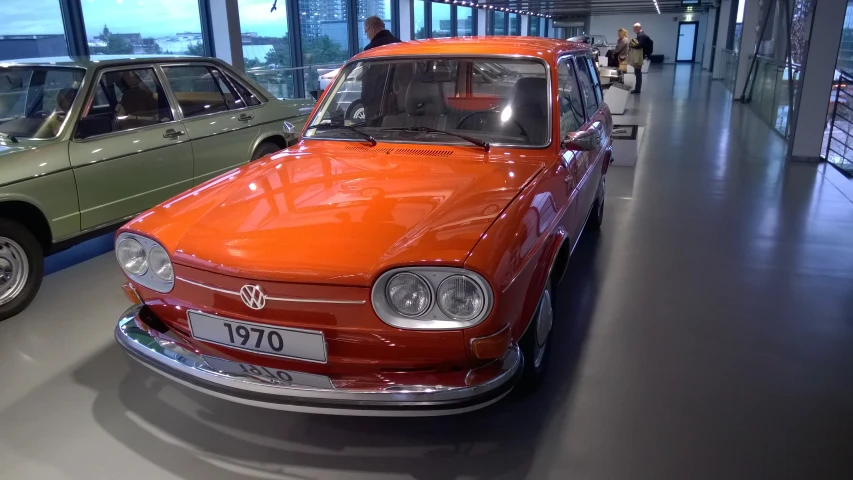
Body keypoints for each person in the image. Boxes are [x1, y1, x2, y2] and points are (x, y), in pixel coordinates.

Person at [631, 22, 653, 93]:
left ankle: (637, 89)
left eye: (634, 28)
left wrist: (632, 45)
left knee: (637, 73)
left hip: (640, 56)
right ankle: (637, 88)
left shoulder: (641, 36)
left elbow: (640, 45)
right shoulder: (641, 35)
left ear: (638, 28)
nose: (633, 30)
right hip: (640, 56)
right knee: (637, 72)